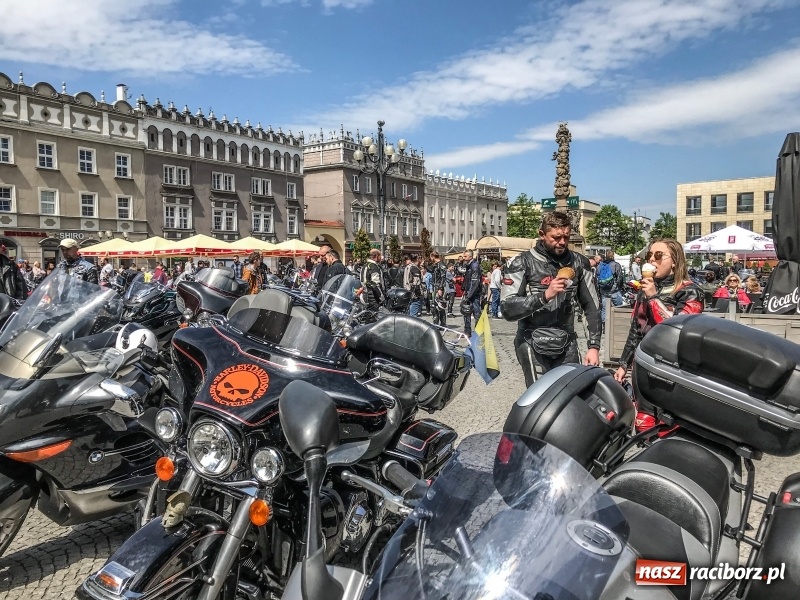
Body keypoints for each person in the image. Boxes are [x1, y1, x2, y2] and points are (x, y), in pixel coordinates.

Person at [501, 211, 601, 386]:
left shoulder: (579, 262)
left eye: (566, 237)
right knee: (540, 399)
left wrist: (594, 347)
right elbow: (507, 308)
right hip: (531, 339)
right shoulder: (521, 262)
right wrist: (544, 296)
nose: (562, 242)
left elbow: (591, 307)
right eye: (556, 237)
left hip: (567, 340)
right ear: (542, 234)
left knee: (571, 396)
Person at [614, 239, 704, 385]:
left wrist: (653, 298)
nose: (651, 259)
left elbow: (678, 331)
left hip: (672, 368)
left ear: (674, 261)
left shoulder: (690, 291)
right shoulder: (647, 288)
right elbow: (636, 330)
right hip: (643, 361)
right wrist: (624, 364)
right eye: (650, 255)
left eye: (658, 255)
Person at [597, 250, 624, 326]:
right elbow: (620, 278)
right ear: (613, 256)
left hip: (603, 291)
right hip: (614, 290)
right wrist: (619, 287)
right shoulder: (616, 265)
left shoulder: (600, 265)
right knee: (619, 307)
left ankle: (604, 325)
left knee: (604, 309)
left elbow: (597, 278)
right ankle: (618, 324)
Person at [461, 250, 482, 337]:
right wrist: (465, 291)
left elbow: (475, 283)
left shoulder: (475, 266)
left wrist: (469, 295)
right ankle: (467, 331)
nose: (463, 258)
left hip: (475, 294)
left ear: (470, 257)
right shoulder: (469, 265)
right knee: (466, 312)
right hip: (469, 292)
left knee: (476, 313)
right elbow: (468, 280)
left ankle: (478, 331)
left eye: (465, 256)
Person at [361, 249, 385, 320]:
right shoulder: (373, 266)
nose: (381, 258)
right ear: (377, 256)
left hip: (365, 294)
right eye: (380, 256)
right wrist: (381, 296)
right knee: (376, 318)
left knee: (368, 316)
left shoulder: (365, 265)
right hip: (373, 297)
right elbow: (375, 284)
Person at [429, 252, 448, 327]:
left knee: (440, 306)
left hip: (439, 287)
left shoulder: (441, 265)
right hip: (434, 286)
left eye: (431, 257)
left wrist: (440, 288)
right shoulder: (435, 265)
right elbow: (431, 270)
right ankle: (436, 323)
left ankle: (443, 324)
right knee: (434, 306)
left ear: (433, 256)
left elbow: (443, 277)